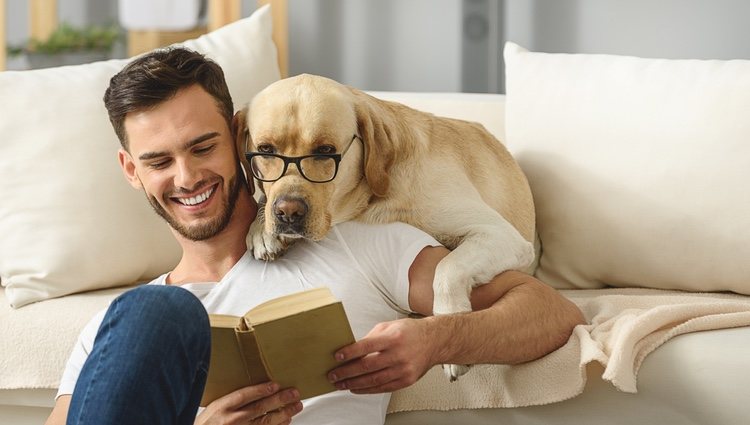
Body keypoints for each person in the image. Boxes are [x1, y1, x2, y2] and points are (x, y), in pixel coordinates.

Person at [45, 47, 585, 425]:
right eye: (159, 160)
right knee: (156, 311)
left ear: (240, 141)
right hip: (146, 322)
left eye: (204, 147)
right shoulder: (113, 329)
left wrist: (439, 337)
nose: (187, 178)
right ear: (131, 170)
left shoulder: (358, 239)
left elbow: (554, 315)